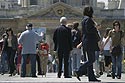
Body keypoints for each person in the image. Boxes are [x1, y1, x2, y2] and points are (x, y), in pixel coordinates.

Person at [75, 6, 101, 82]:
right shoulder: (88, 20)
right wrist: (96, 28)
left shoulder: (84, 20)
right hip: (90, 42)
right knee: (92, 59)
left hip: (86, 42)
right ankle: (79, 70)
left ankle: (91, 77)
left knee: (90, 60)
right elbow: (89, 30)